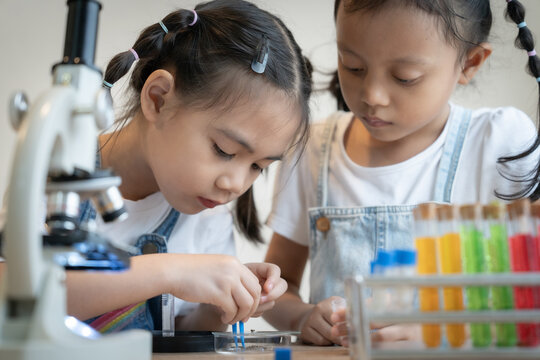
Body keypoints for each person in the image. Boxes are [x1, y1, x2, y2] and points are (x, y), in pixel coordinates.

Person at [0, 0, 311, 333]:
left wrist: (221, 305)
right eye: (224, 150)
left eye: (258, 167)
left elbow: (180, 330)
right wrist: (171, 272)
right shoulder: (60, 172)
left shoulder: (208, 216)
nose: (235, 184)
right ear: (158, 99)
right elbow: (12, 292)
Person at [263, 0, 540, 346]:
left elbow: (530, 302)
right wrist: (302, 316)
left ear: (469, 63)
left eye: (404, 77)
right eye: (353, 67)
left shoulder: (499, 143)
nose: (372, 96)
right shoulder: (313, 148)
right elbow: (278, 285)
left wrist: (441, 330)